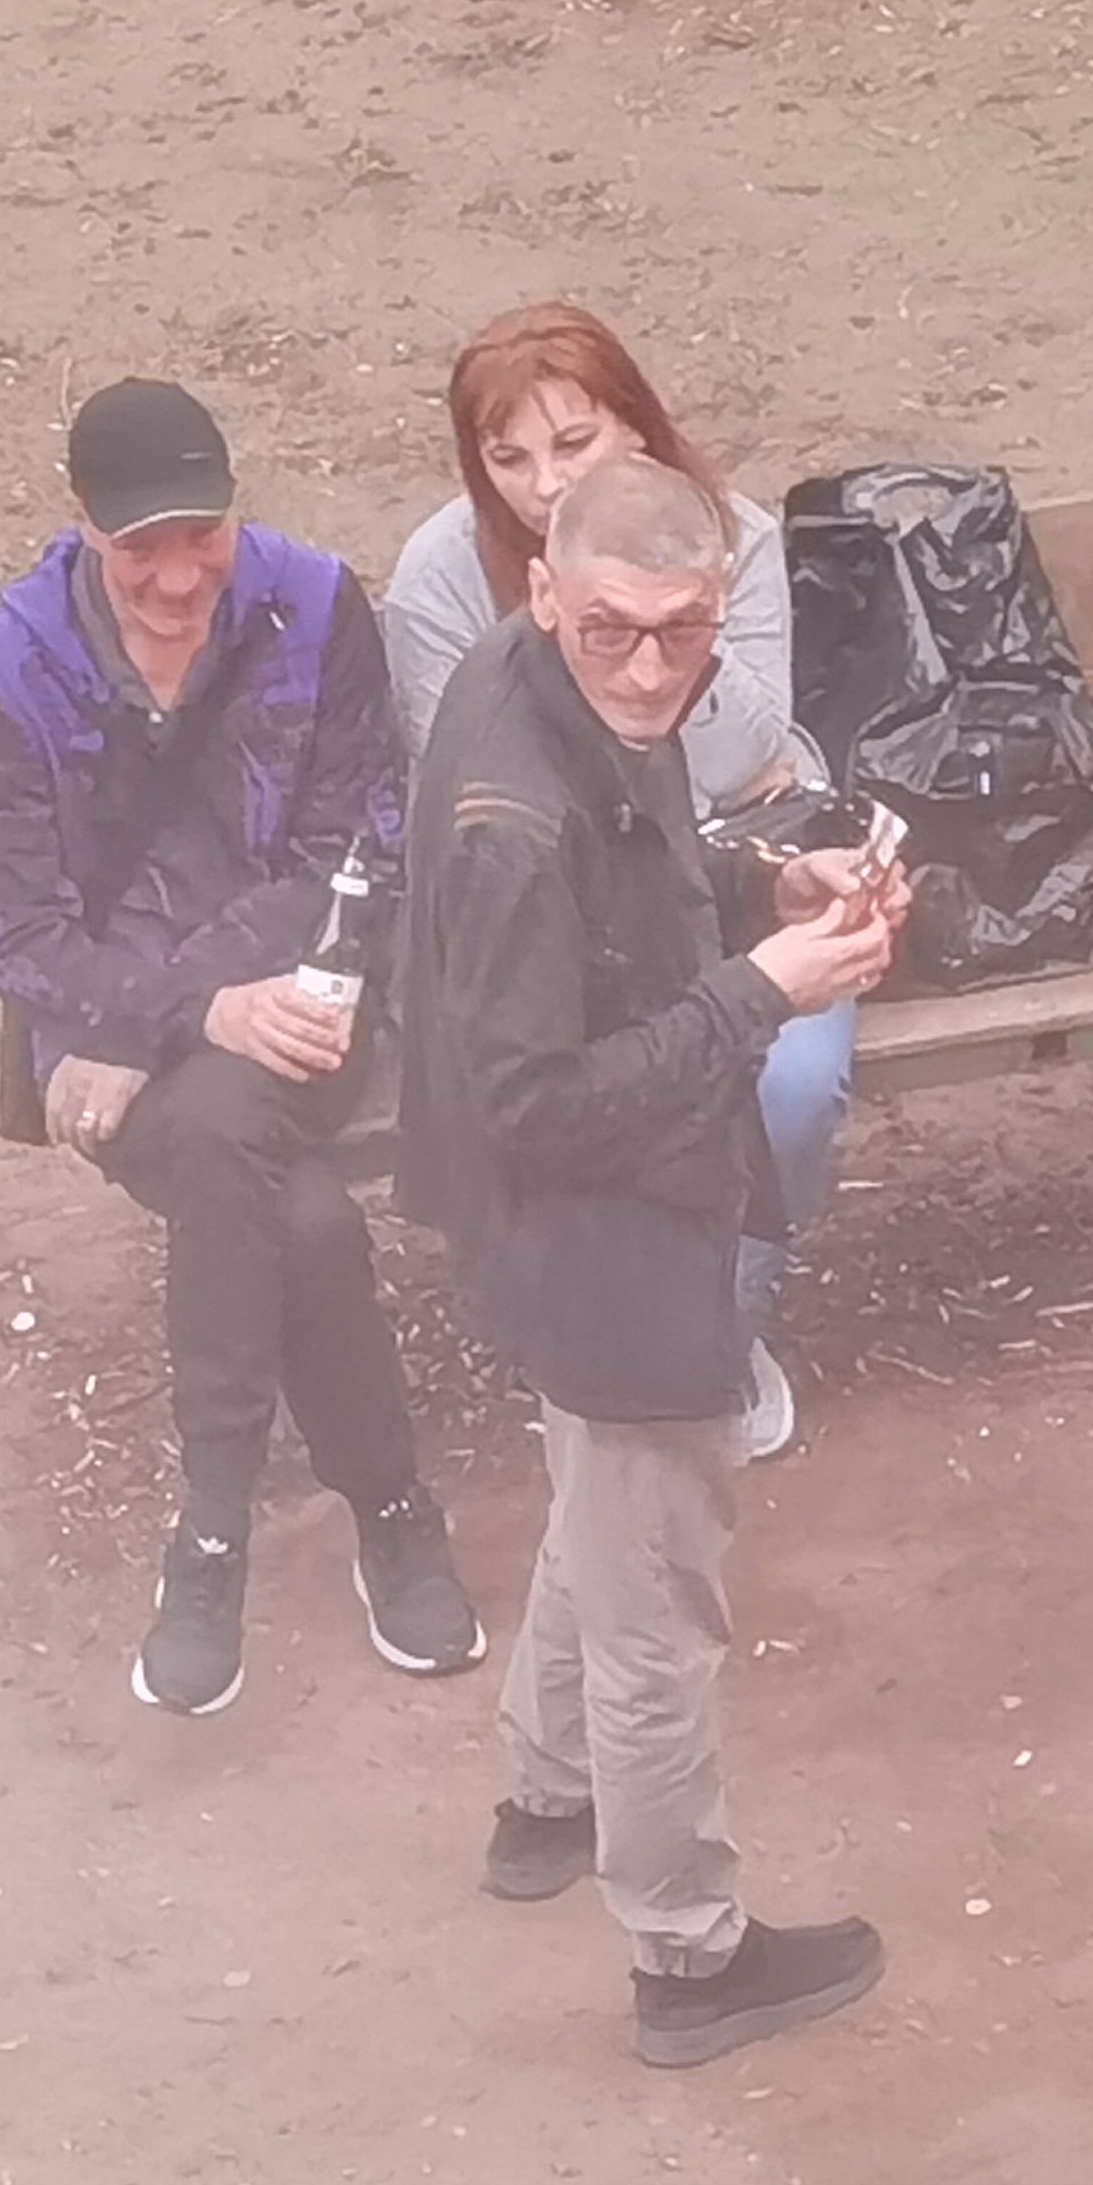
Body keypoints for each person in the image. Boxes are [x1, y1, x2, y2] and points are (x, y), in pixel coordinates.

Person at [399, 456, 904, 2068]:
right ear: (544, 589)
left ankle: (546, 1803)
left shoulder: (537, 683)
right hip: (598, 1225)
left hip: (578, 1221)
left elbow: (635, 861)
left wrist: (765, 882)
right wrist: (762, 988)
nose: (646, 669)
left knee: (604, 1502)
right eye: (612, 629)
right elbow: (539, 1105)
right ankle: (688, 1958)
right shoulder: (512, 818)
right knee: (657, 1611)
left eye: (682, 634)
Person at [0, 376, 484, 1717]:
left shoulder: (315, 604)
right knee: (302, 1220)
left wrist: (192, 1009)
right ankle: (390, 1507)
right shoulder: (7, 666)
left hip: (285, 1006)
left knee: (237, 1132)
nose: (180, 577)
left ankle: (212, 1533)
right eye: (143, 548)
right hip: (120, 1038)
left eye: (205, 536)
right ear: (83, 526)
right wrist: (186, 1014)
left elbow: (359, 848)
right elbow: (13, 926)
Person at [384, 303, 851, 1464]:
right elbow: (483, 797)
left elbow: (743, 745)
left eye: (574, 443)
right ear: (544, 602)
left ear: (635, 427)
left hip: (721, 860)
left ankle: (725, 1318)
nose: (543, 486)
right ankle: (637, 1357)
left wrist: (658, 593)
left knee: (791, 1089)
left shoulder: (726, 535)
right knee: (638, 1110)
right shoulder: (447, 583)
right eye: (508, 458)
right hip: (571, 919)